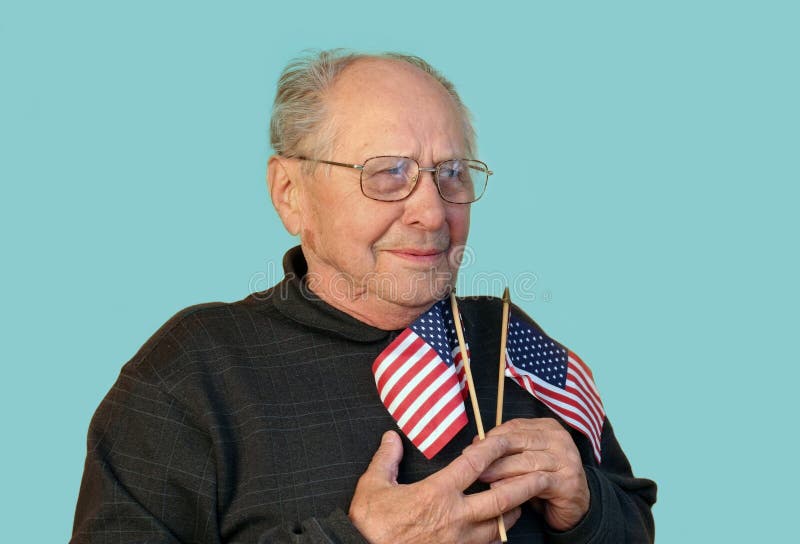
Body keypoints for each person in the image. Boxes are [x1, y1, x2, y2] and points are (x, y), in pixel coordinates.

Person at [71, 49, 656, 543]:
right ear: (290, 193)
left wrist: (587, 505)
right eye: (387, 174)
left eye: (450, 172)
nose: (432, 212)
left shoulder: (509, 339)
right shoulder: (191, 374)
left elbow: (633, 516)